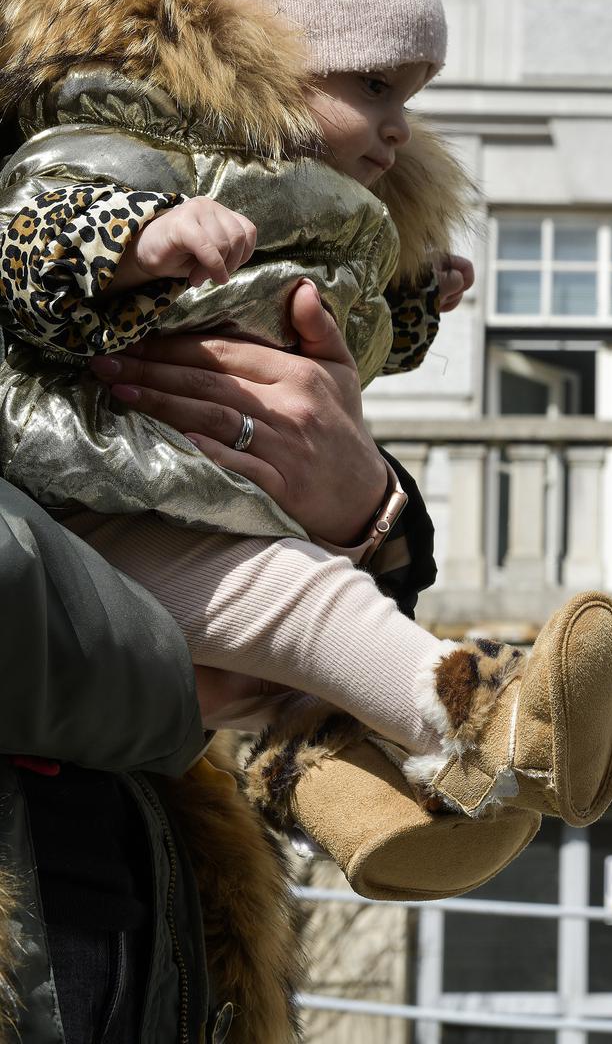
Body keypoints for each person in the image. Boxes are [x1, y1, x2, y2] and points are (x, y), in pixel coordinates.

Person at [0, 0, 612, 902]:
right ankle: (472, 708)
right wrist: (139, 240)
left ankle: (358, 805)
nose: (398, 127)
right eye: (374, 86)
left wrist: (413, 304)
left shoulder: (311, 200)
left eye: (410, 98)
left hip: (176, 511)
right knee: (298, 602)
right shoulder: (127, 134)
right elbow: (34, 227)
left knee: (297, 667)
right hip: (88, 485)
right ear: (266, 58)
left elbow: (341, 334)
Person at [0, 292, 429, 1043]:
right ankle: (470, 718)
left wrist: (370, 509)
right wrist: (171, 687)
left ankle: (439, 771)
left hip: (159, 893)